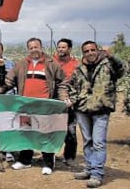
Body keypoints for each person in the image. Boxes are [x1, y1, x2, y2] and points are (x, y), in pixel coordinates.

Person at [0, 37, 68, 175]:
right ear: (28, 49)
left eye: (36, 47)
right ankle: (25, 161)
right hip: (26, 106)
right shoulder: (21, 64)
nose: (34, 50)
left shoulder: (51, 63)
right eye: (31, 48)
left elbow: (62, 82)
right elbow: (9, 81)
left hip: (44, 107)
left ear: (41, 47)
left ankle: (48, 163)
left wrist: (63, 97)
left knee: (45, 133)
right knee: (26, 132)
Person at [66, 41, 125, 188]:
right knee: (87, 141)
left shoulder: (108, 65)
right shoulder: (79, 68)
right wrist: (74, 99)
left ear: (98, 51)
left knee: (98, 142)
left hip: (101, 108)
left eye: (93, 50)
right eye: (86, 51)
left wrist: (111, 56)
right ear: (83, 53)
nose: (90, 53)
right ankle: (88, 168)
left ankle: (96, 174)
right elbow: (71, 85)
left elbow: (122, 69)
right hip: (83, 109)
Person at [53, 38, 79, 166]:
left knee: (71, 131)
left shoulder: (76, 65)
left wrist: (72, 99)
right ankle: (49, 155)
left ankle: (69, 157)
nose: (60, 50)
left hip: (69, 103)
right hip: (52, 101)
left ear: (69, 49)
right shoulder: (51, 62)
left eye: (63, 47)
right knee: (50, 129)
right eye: (59, 47)